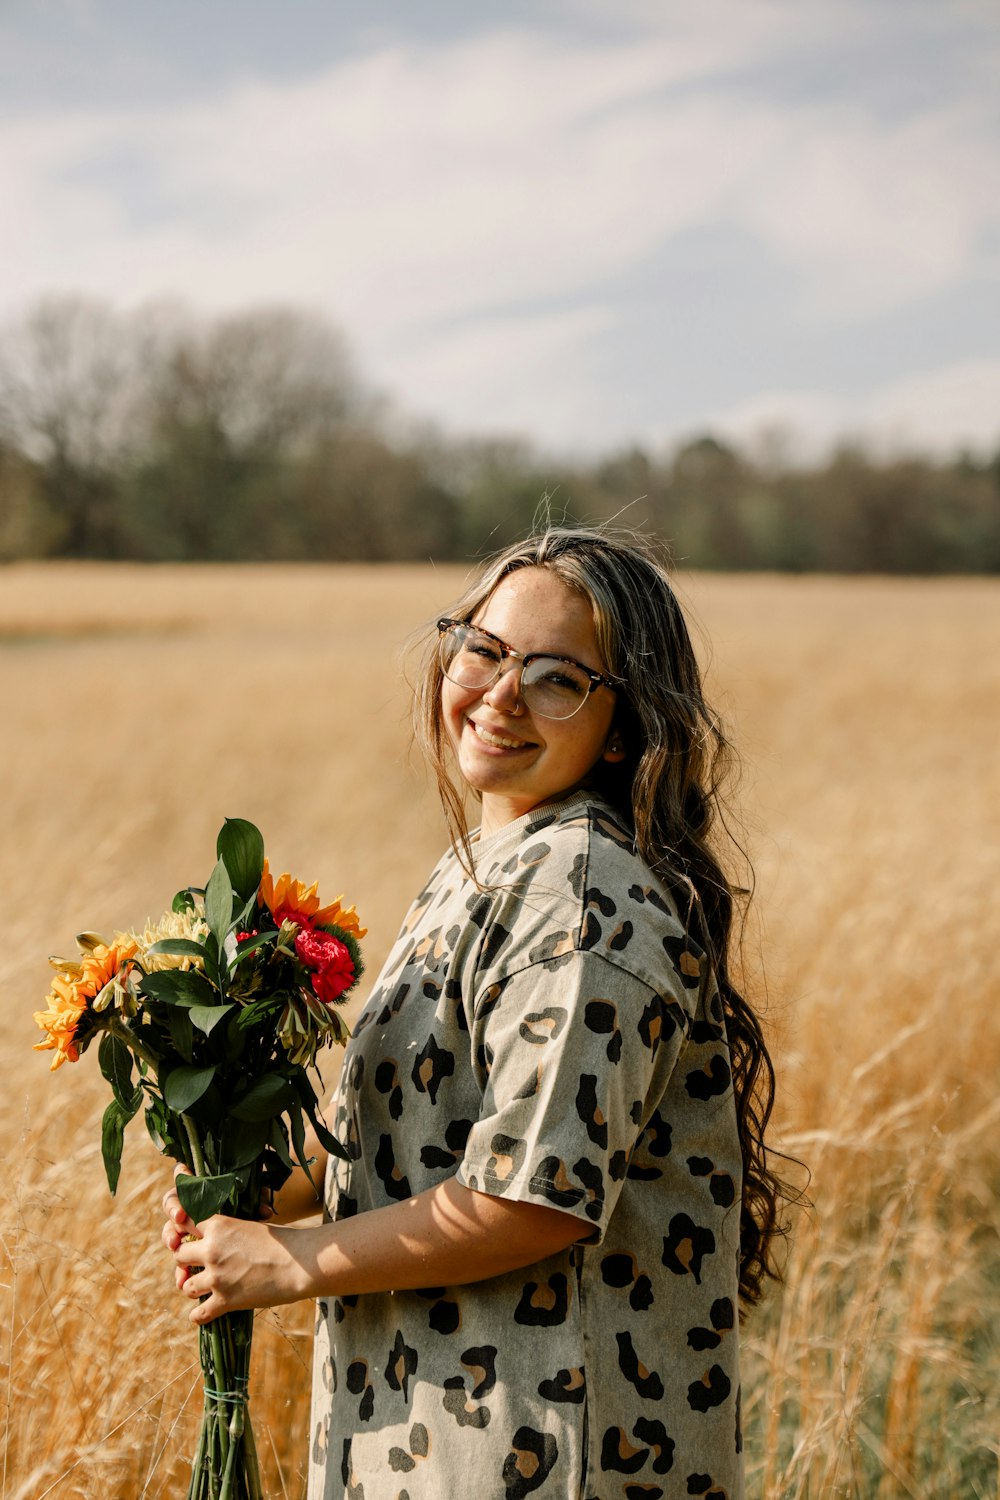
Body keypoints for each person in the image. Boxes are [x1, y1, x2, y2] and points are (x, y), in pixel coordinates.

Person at [162, 525, 786, 1500]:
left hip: (550, 1441)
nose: (498, 696)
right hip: (437, 1423)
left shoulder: (575, 897)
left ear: (620, 728)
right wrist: (251, 1187)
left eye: (555, 678)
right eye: (485, 650)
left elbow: (532, 1197)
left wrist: (291, 1259)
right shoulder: (490, 866)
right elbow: (418, 1138)